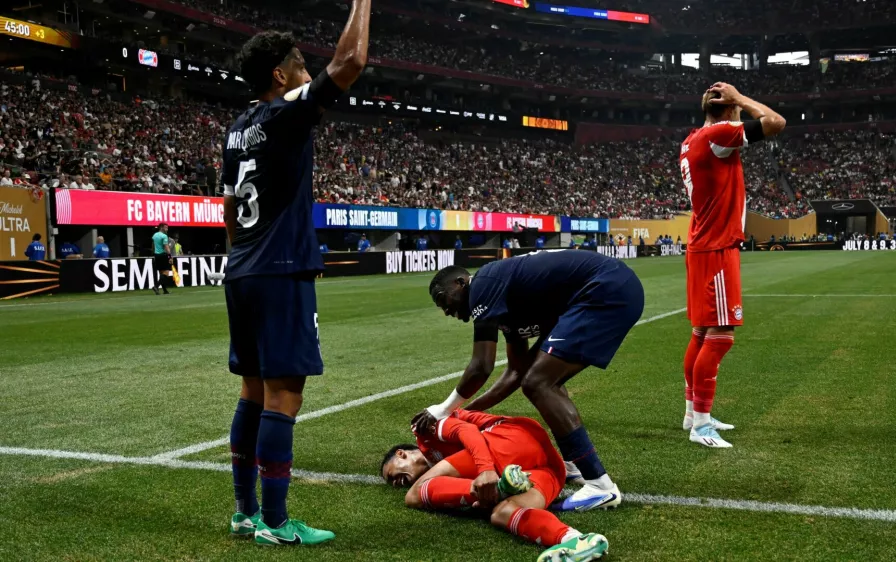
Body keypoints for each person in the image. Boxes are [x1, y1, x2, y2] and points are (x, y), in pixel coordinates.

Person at [220, 3, 370, 547]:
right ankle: (278, 524)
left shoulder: (237, 130)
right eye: (302, 65)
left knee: (252, 391)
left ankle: (243, 512)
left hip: (242, 271)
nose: (311, 72)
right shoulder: (286, 111)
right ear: (280, 77)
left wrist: (243, 260)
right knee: (285, 393)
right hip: (280, 271)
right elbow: (351, 61)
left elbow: (229, 211)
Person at [413, 250, 645, 511]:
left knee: (540, 383)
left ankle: (600, 486)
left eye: (444, 299)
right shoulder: (504, 304)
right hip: (608, 288)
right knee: (541, 379)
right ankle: (574, 465)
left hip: (605, 288)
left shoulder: (483, 285)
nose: (446, 310)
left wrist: (444, 410)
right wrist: (466, 414)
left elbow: (481, 366)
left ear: (461, 282)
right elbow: (517, 371)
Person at [679, 81, 786, 449]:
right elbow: (775, 122)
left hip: (702, 244)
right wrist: (741, 98)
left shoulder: (691, 138)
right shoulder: (720, 134)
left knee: (702, 332)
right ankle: (702, 426)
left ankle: (693, 413)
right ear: (728, 110)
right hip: (717, 246)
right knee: (721, 336)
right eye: (736, 108)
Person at [382, 409, 609, 562]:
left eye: (392, 474)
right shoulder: (447, 472)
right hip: (548, 470)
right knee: (502, 513)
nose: (396, 482)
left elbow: (467, 430)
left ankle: (500, 489)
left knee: (413, 496)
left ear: (401, 454)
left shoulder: (423, 428)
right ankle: (576, 539)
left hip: (509, 440)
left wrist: (485, 469)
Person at [152, 223, 173, 295]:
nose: (167, 229)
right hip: (163, 255)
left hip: (156, 255)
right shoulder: (164, 236)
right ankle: (156, 286)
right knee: (166, 274)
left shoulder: (154, 235)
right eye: (165, 227)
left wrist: (154, 253)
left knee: (161, 273)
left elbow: (153, 246)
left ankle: (165, 290)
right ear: (161, 227)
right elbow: (166, 247)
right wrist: (170, 257)